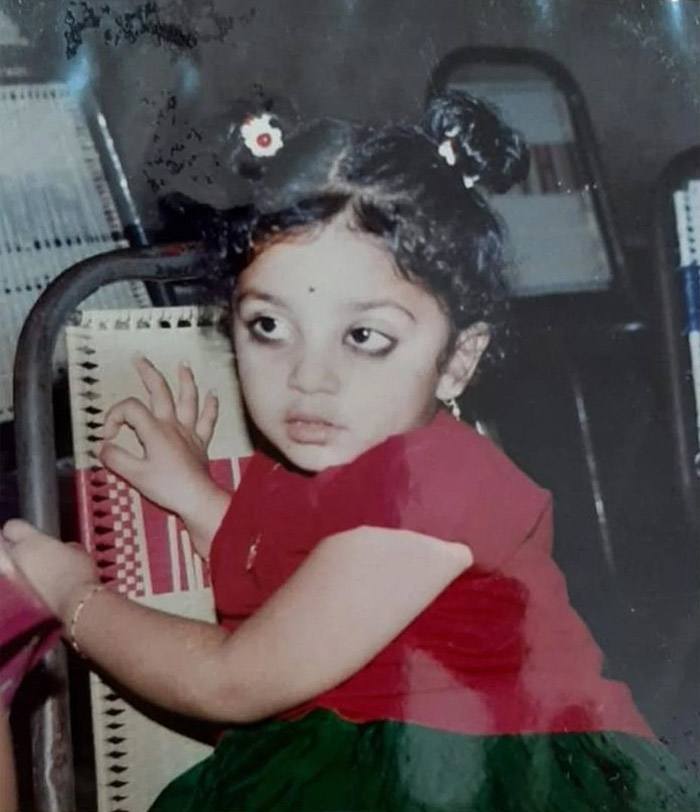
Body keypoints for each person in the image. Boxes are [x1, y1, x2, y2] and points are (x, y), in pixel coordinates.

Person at [3, 90, 700, 811]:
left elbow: (231, 681)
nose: (308, 377)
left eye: (365, 337)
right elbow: (302, 584)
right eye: (268, 326)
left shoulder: (435, 482)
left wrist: (70, 597)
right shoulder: (331, 456)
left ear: (458, 360)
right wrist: (193, 494)